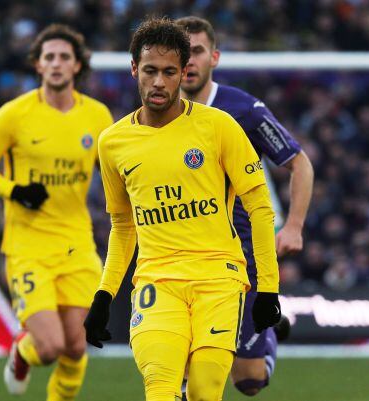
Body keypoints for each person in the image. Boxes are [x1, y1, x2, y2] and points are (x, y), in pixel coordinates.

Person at [83, 17, 281, 401]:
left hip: (219, 279)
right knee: (160, 390)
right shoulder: (112, 142)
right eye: (151, 71)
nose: (159, 82)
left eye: (169, 72)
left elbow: (259, 206)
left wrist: (268, 288)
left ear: (183, 73)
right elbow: (123, 224)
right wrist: (104, 296)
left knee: (205, 393)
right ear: (134, 70)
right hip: (157, 281)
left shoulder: (219, 126)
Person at [0, 24, 113, 401]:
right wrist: (14, 190)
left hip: (77, 246)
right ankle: (22, 350)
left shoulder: (97, 117)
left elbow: (114, 171)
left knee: (77, 347)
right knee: (48, 348)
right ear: (38, 65)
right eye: (49, 57)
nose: (57, 63)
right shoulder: (15, 114)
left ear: (78, 65)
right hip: (28, 248)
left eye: (65, 57)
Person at [176, 16, 314, 398]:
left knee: (249, 381)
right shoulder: (159, 111)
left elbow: (299, 163)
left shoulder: (244, 109)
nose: (189, 61)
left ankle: (268, 330)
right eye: (181, 53)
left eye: (197, 52)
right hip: (185, 252)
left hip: (246, 251)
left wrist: (294, 227)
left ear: (214, 57)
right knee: (185, 361)